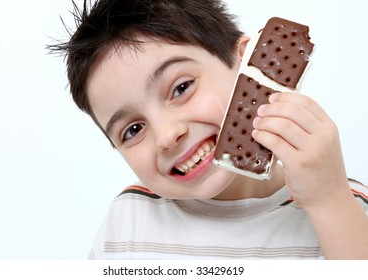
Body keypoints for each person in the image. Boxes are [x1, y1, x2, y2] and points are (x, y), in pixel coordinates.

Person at [48, 0, 368, 259]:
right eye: (132, 130)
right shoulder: (126, 223)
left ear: (248, 63)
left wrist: (328, 200)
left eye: (181, 87)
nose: (166, 135)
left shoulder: (343, 207)